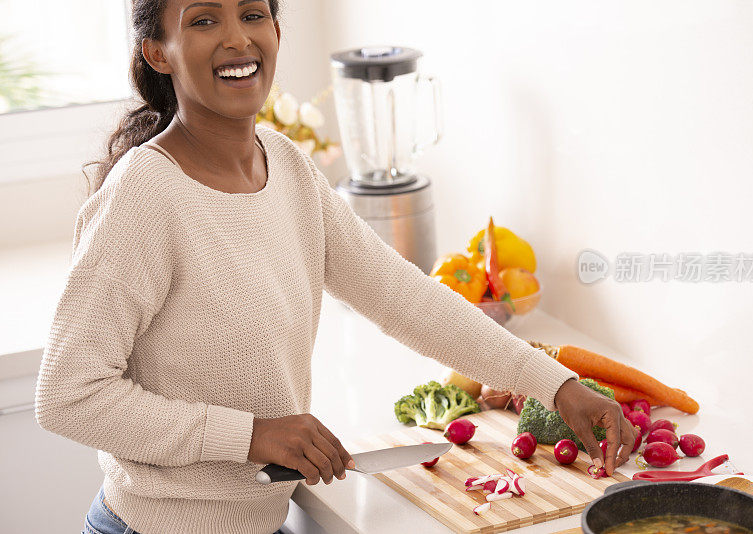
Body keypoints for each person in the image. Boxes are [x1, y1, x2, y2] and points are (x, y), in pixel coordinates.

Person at [34, 1, 636, 533]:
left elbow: (405, 297)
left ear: (275, 30)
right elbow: (68, 395)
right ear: (157, 53)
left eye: (252, 14)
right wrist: (250, 434)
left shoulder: (288, 169)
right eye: (203, 19)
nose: (237, 39)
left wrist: (555, 385)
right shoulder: (144, 197)